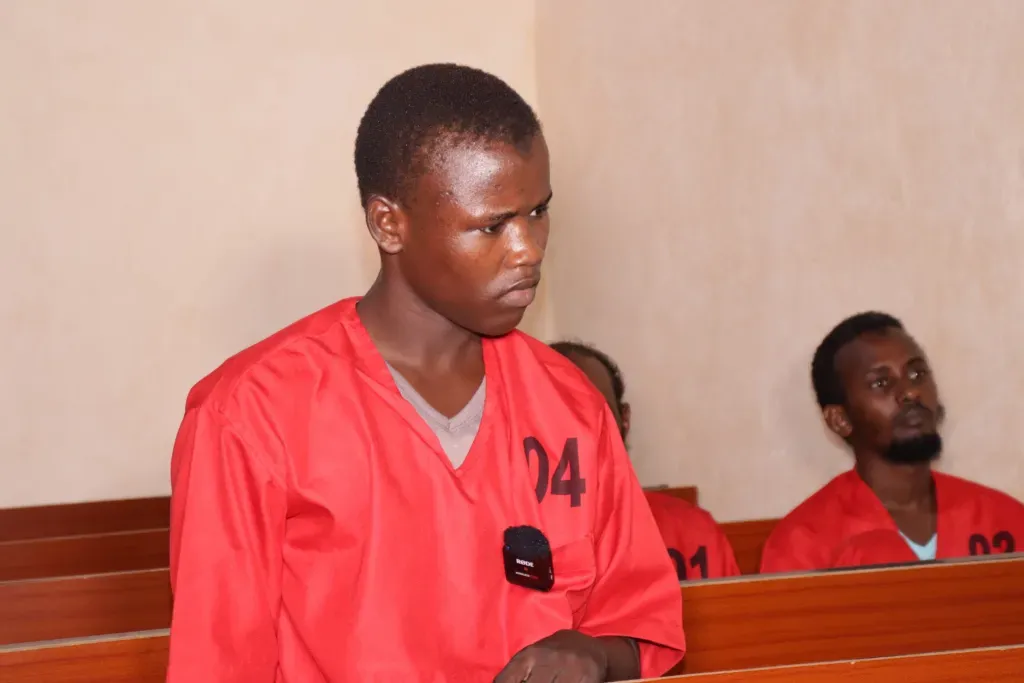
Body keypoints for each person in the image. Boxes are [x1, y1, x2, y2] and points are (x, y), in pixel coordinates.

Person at [166, 64, 685, 682]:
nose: (528, 249)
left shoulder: (570, 403)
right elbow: (218, 664)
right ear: (389, 224)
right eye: (492, 225)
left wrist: (593, 653)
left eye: (538, 212)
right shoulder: (250, 415)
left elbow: (642, 626)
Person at [761, 311, 1024, 573]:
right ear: (840, 420)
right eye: (881, 383)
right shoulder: (802, 545)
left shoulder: (1005, 519)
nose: (910, 392)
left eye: (917, 374)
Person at [550, 341, 740, 580]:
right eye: (554, 414)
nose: (576, 432)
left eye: (594, 413)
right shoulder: (513, 544)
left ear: (624, 421)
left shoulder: (692, 534)